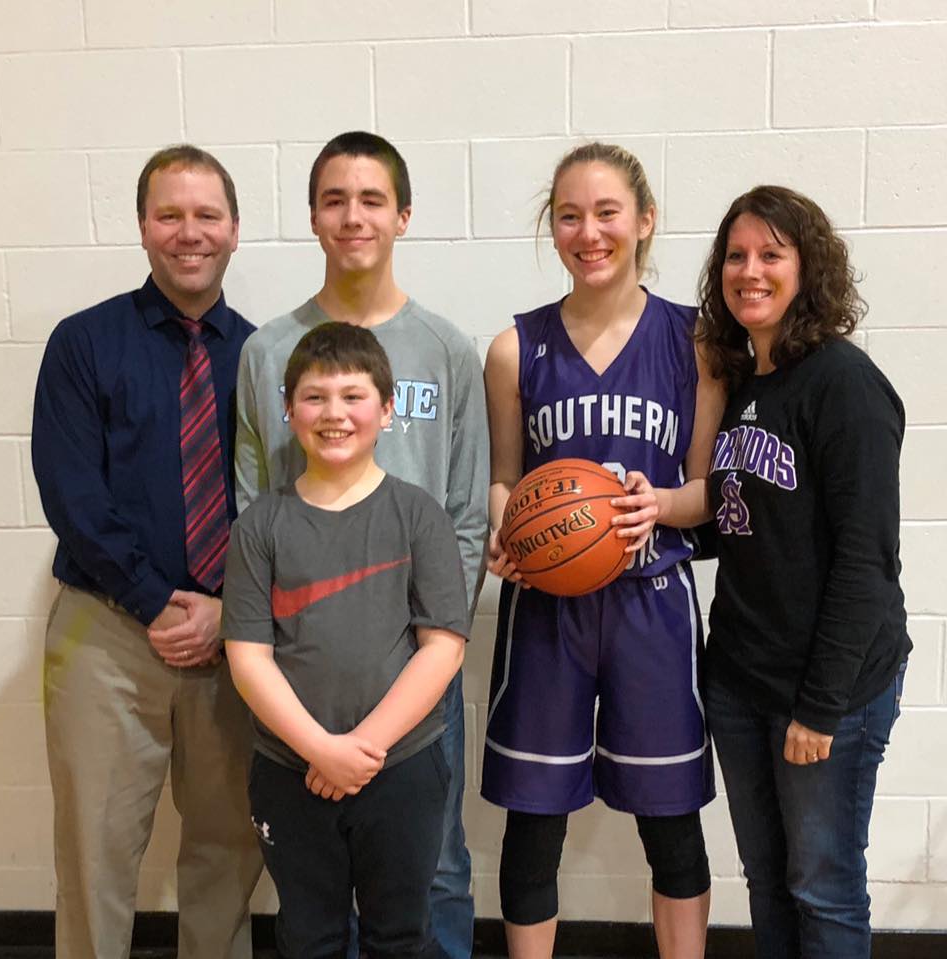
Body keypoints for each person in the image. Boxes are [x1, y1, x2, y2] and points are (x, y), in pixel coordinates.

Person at [234, 130, 487, 959]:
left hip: (415, 669)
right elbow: (253, 504)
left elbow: (466, 514)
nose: (353, 216)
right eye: (335, 200)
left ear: (403, 215)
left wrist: (429, 648)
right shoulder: (268, 350)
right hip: (304, 676)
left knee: (433, 869)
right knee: (313, 894)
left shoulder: (447, 349)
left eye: (372, 199)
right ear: (312, 216)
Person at [481, 142, 725, 959]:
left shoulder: (695, 341)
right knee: (533, 821)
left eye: (607, 212)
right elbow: (504, 479)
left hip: (651, 599)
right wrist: (507, 530)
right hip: (547, 606)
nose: (589, 232)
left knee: (672, 822)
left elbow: (705, 489)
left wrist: (659, 504)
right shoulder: (515, 349)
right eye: (569, 215)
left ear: (644, 220)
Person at [31, 145, 263, 959]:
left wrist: (228, 610)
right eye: (169, 214)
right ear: (141, 226)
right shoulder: (83, 343)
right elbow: (73, 496)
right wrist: (158, 601)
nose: (188, 232)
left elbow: (283, 504)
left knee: (228, 852)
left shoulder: (266, 357)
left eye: (206, 215)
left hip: (232, 641)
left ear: (234, 229)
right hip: (108, 635)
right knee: (94, 857)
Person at [697, 185, 911, 959]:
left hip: (828, 690)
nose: (749, 271)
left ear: (808, 268)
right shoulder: (741, 383)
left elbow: (866, 562)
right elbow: (742, 524)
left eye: (771, 254)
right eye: (736, 256)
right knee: (767, 878)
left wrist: (820, 709)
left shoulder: (844, 384)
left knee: (823, 887)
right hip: (742, 678)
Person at [222, 322, 469, 958]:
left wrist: (363, 749)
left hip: (402, 764)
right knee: (309, 937)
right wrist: (320, 751)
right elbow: (248, 660)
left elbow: (443, 647)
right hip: (291, 768)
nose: (334, 413)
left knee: (401, 935)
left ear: (386, 410)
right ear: (288, 409)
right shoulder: (260, 526)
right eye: (315, 397)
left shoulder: (419, 515)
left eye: (353, 396)